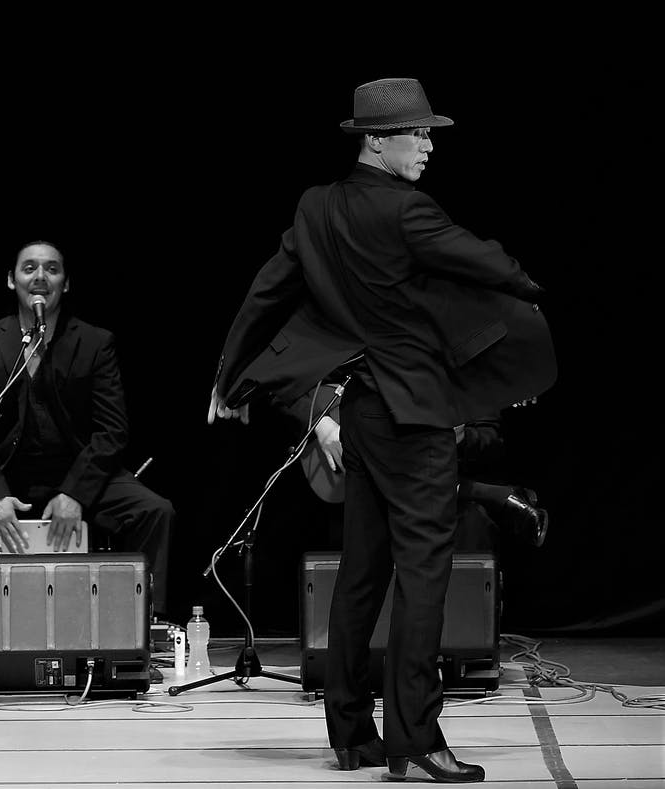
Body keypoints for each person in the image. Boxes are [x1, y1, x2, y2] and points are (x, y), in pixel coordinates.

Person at [209, 77, 556, 783]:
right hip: (416, 414)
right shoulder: (408, 211)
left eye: (429, 133)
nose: (428, 145)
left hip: (362, 409)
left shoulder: (315, 206)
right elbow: (496, 267)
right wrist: (513, 288)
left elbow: (266, 290)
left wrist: (227, 374)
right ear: (375, 141)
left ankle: (351, 732)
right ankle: (414, 737)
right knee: (424, 578)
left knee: (361, 574)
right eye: (416, 133)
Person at [0, 240, 174, 683]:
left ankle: (139, 639)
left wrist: (76, 493)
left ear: (65, 284)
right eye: (29, 268)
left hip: (78, 473)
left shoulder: (95, 342)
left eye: (51, 269)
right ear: (12, 280)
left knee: (154, 510)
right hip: (7, 474)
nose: (40, 277)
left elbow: (112, 430)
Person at [280, 383, 548, 552]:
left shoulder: (464, 364)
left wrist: (462, 438)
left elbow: (489, 440)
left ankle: (486, 495)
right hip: (355, 494)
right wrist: (323, 425)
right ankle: (492, 496)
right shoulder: (356, 347)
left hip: (430, 487)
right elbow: (285, 388)